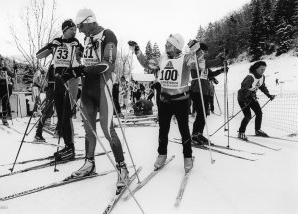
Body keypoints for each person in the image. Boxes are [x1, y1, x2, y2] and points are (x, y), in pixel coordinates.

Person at [62, 8, 129, 189]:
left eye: (81, 26)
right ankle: (89, 163)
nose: (80, 30)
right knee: (89, 130)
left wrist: (82, 69)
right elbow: (86, 63)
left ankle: (122, 168)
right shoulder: (87, 38)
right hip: (88, 90)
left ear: (90, 21)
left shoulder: (108, 35)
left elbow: (108, 64)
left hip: (102, 87)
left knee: (108, 131)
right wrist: (71, 68)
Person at [128, 33, 194, 173]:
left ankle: (188, 157)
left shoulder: (185, 58)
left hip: (181, 100)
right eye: (166, 43)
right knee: (163, 130)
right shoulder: (162, 58)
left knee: (184, 130)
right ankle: (162, 155)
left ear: (176, 46)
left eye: (169, 44)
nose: (165, 46)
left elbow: (199, 66)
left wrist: (198, 51)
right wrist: (137, 50)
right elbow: (146, 63)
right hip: (164, 100)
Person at [35, 19, 83, 160]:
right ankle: (67, 146)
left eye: (75, 29)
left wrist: (80, 48)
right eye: (71, 29)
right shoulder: (57, 42)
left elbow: (85, 58)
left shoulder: (76, 44)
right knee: (61, 115)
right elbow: (38, 55)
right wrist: (50, 45)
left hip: (71, 80)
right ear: (64, 30)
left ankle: (71, 147)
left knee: (67, 114)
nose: (74, 31)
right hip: (58, 81)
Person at [188, 41, 226, 145]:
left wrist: (221, 70)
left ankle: (199, 133)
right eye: (204, 51)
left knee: (204, 114)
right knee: (201, 113)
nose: (205, 53)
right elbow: (207, 64)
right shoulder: (194, 60)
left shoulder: (202, 63)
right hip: (196, 89)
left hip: (204, 91)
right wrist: (219, 59)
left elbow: (210, 74)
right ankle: (195, 135)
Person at [237, 61, 275, 140]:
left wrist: (268, 95)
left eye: (264, 69)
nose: (263, 71)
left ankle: (257, 130)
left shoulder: (262, 77)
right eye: (261, 69)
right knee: (248, 116)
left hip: (252, 97)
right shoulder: (250, 77)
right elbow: (243, 89)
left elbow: (262, 86)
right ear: (256, 68)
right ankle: (241, 132)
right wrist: (245, 99)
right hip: (243, 97)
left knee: (259, 113)